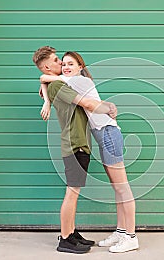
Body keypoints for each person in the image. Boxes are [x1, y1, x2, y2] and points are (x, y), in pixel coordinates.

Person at [39, 51, 139, 253]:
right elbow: (45, 79)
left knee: (122, 188)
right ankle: (121, 231)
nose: (65, 66)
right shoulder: (70, 82)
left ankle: (131, 236)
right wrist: (47, 100)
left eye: (69, 64)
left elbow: (47, 78)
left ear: (80, 68)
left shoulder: (79, 81)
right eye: (62, 63)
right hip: (102, 135)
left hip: (108, 134)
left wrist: (107, 107)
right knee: (117, 188)